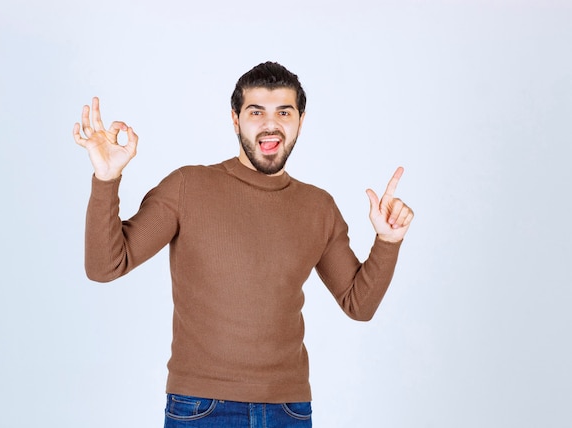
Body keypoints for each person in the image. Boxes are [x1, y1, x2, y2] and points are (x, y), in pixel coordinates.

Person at [74, 61, 414, 428]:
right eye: (256, 112)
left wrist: (387, 241)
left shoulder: (319, 207)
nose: (271, 124)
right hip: (200, 407)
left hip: (289, 410)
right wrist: (106, 180)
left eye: (284, 112)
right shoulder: (188, 187)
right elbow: (105, 266)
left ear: (301, 120)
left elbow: (358, 305)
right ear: (235, 120)